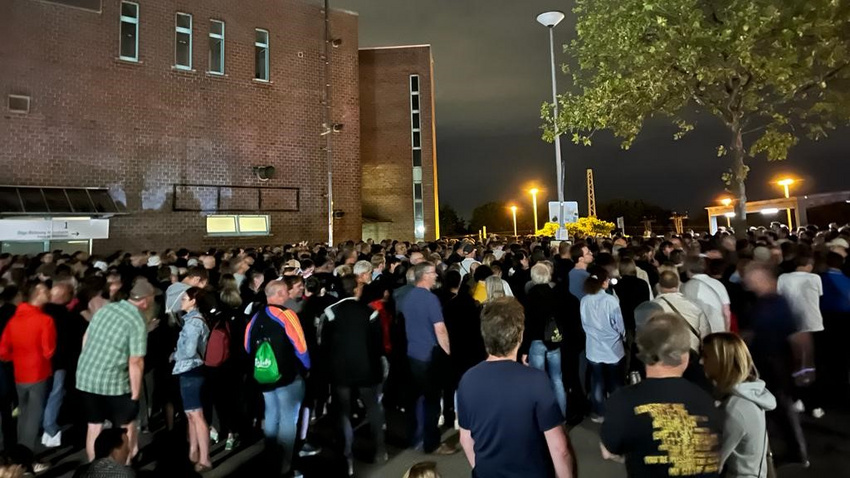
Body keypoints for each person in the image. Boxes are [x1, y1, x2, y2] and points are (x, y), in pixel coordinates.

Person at [458, 297, 575, 478]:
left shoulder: (467, 379)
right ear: (519, 335)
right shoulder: (536, 381)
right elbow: (560, 449)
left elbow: (466, 440)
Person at [600, 313, 722, 477]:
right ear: (685, 356)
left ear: (643, 353)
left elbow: (608, 451)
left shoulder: (623, 401)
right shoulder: (707, 400)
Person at [76, 278, 151, 463]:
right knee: (126, 425)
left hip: (87, 376)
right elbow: (136, 360)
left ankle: (95, 467)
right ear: (145, 300)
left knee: (94, 425)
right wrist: (135, 394)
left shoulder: (106, 309)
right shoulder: (137, 320)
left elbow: (86, 338)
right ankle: (126, 463)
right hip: (114, 380)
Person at [743, 262, 808, 467]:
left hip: (775, 362)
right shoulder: (764, 302)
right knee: (775, 408)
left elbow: (797, 337)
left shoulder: (776, 303)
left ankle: (795, 452)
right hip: (768, 361)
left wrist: (803, 366)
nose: (747, 282)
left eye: (751, 278)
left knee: (780, 408)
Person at [244, 280, 311, 477]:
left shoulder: (255, 317)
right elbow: (300, 345)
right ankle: (286, 464)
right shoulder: (286, 315)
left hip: (264, 374)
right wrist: (307, 367)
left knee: (271, 413)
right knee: (289, 418)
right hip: (287, 375)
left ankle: (270, 453)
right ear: (281, 293)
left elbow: (247, 346)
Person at [321, 275, 386, 476]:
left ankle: (346, 456)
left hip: (341, 370)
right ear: (356, 290)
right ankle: (380, 450)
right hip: (366, 367)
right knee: (373, 407)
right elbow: (378, 345)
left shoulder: (330, 313)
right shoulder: (370, 313)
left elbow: (325, 345)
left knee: (344, 412)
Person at [398, 262, 456, 455]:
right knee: (432, 400)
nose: (436, 276)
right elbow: (440, 329)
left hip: (412, 353)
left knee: (413, 398)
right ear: (424, 276)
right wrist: (448, 352)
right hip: (429, 355)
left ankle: (412, 437)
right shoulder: (430, 300)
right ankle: (432, 443)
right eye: (433, 273)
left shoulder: (407, 297)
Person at [702, 333, 776, 478]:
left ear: (722, 361)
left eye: (705, 356)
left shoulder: (735, 409)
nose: (700, 362)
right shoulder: (751, 395)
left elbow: (713, 463)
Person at [0, 282, 55, 472]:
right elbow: (49, 350)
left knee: (23, 416)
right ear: (38, 294)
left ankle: (17, 456)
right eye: (46, 291)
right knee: (32, 418)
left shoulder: (14, 320)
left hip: (19, 373)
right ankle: (25, 461)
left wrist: (14, 357)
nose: (49, 293)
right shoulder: (44, 320)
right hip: (38, 372)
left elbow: (3, 350)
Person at [520, 263, 569, 416]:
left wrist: (524, 349)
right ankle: (561, 413)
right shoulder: (556, 294)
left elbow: (528, 326)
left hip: (536, 342)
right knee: (557, 379)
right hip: (554, 340)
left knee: (538, 380)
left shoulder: (530, 298)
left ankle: (542, 414)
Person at [173, 287, 212, 472]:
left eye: (185, 298)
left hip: (191, 369)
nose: (181, 301)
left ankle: (204, 458)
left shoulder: (193, 323)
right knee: (191, 415)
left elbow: (189, 351)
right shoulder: (193, 320)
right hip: (190, 370)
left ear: (193, 301)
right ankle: (194, 453)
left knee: (196, 415)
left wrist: (174, 355)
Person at [579, 266, 625, 422]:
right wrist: (622, 335)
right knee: (615, 382)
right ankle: (618, 409)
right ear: (604, 282)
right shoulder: (610, 300)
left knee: (597, 382)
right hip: (612, 348)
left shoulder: (584, 300)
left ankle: (600, 412)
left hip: (593, 347)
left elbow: (584, 322)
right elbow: (618, 323)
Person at [653, 271, 711, 353]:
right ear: (678, 285)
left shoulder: (653, 307)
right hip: (691, 354)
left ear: (658, 286)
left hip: (665, 355)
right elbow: (705, 333)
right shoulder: (694, 306)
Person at [681, 257, 731, 333]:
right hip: (719, 330)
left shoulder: (685, 287)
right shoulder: (718, 284)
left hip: (700, 332)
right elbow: (726, 312)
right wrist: (726, 331)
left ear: (687, 269)